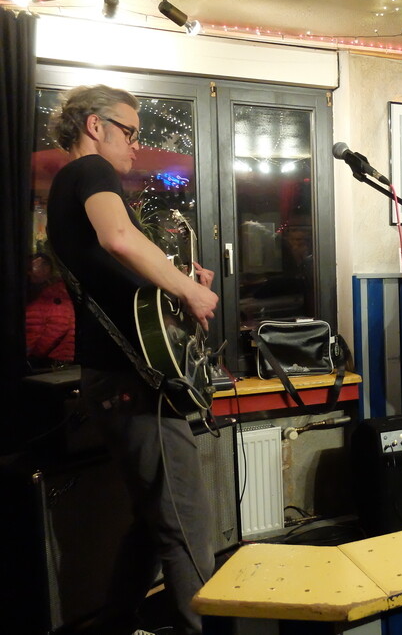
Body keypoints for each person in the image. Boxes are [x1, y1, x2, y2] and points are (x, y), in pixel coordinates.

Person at [45, 85, 219, 635]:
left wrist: (176, 279)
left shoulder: (69, 186)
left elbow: (118, 271)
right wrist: (189, 293)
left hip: (114, 377)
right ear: (95, 126)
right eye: (130, 131)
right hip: (131, 379)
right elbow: (119, 238)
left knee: (153, 519)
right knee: (187, 525)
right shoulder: (90, 170)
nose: (137, 145)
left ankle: (116, 623)